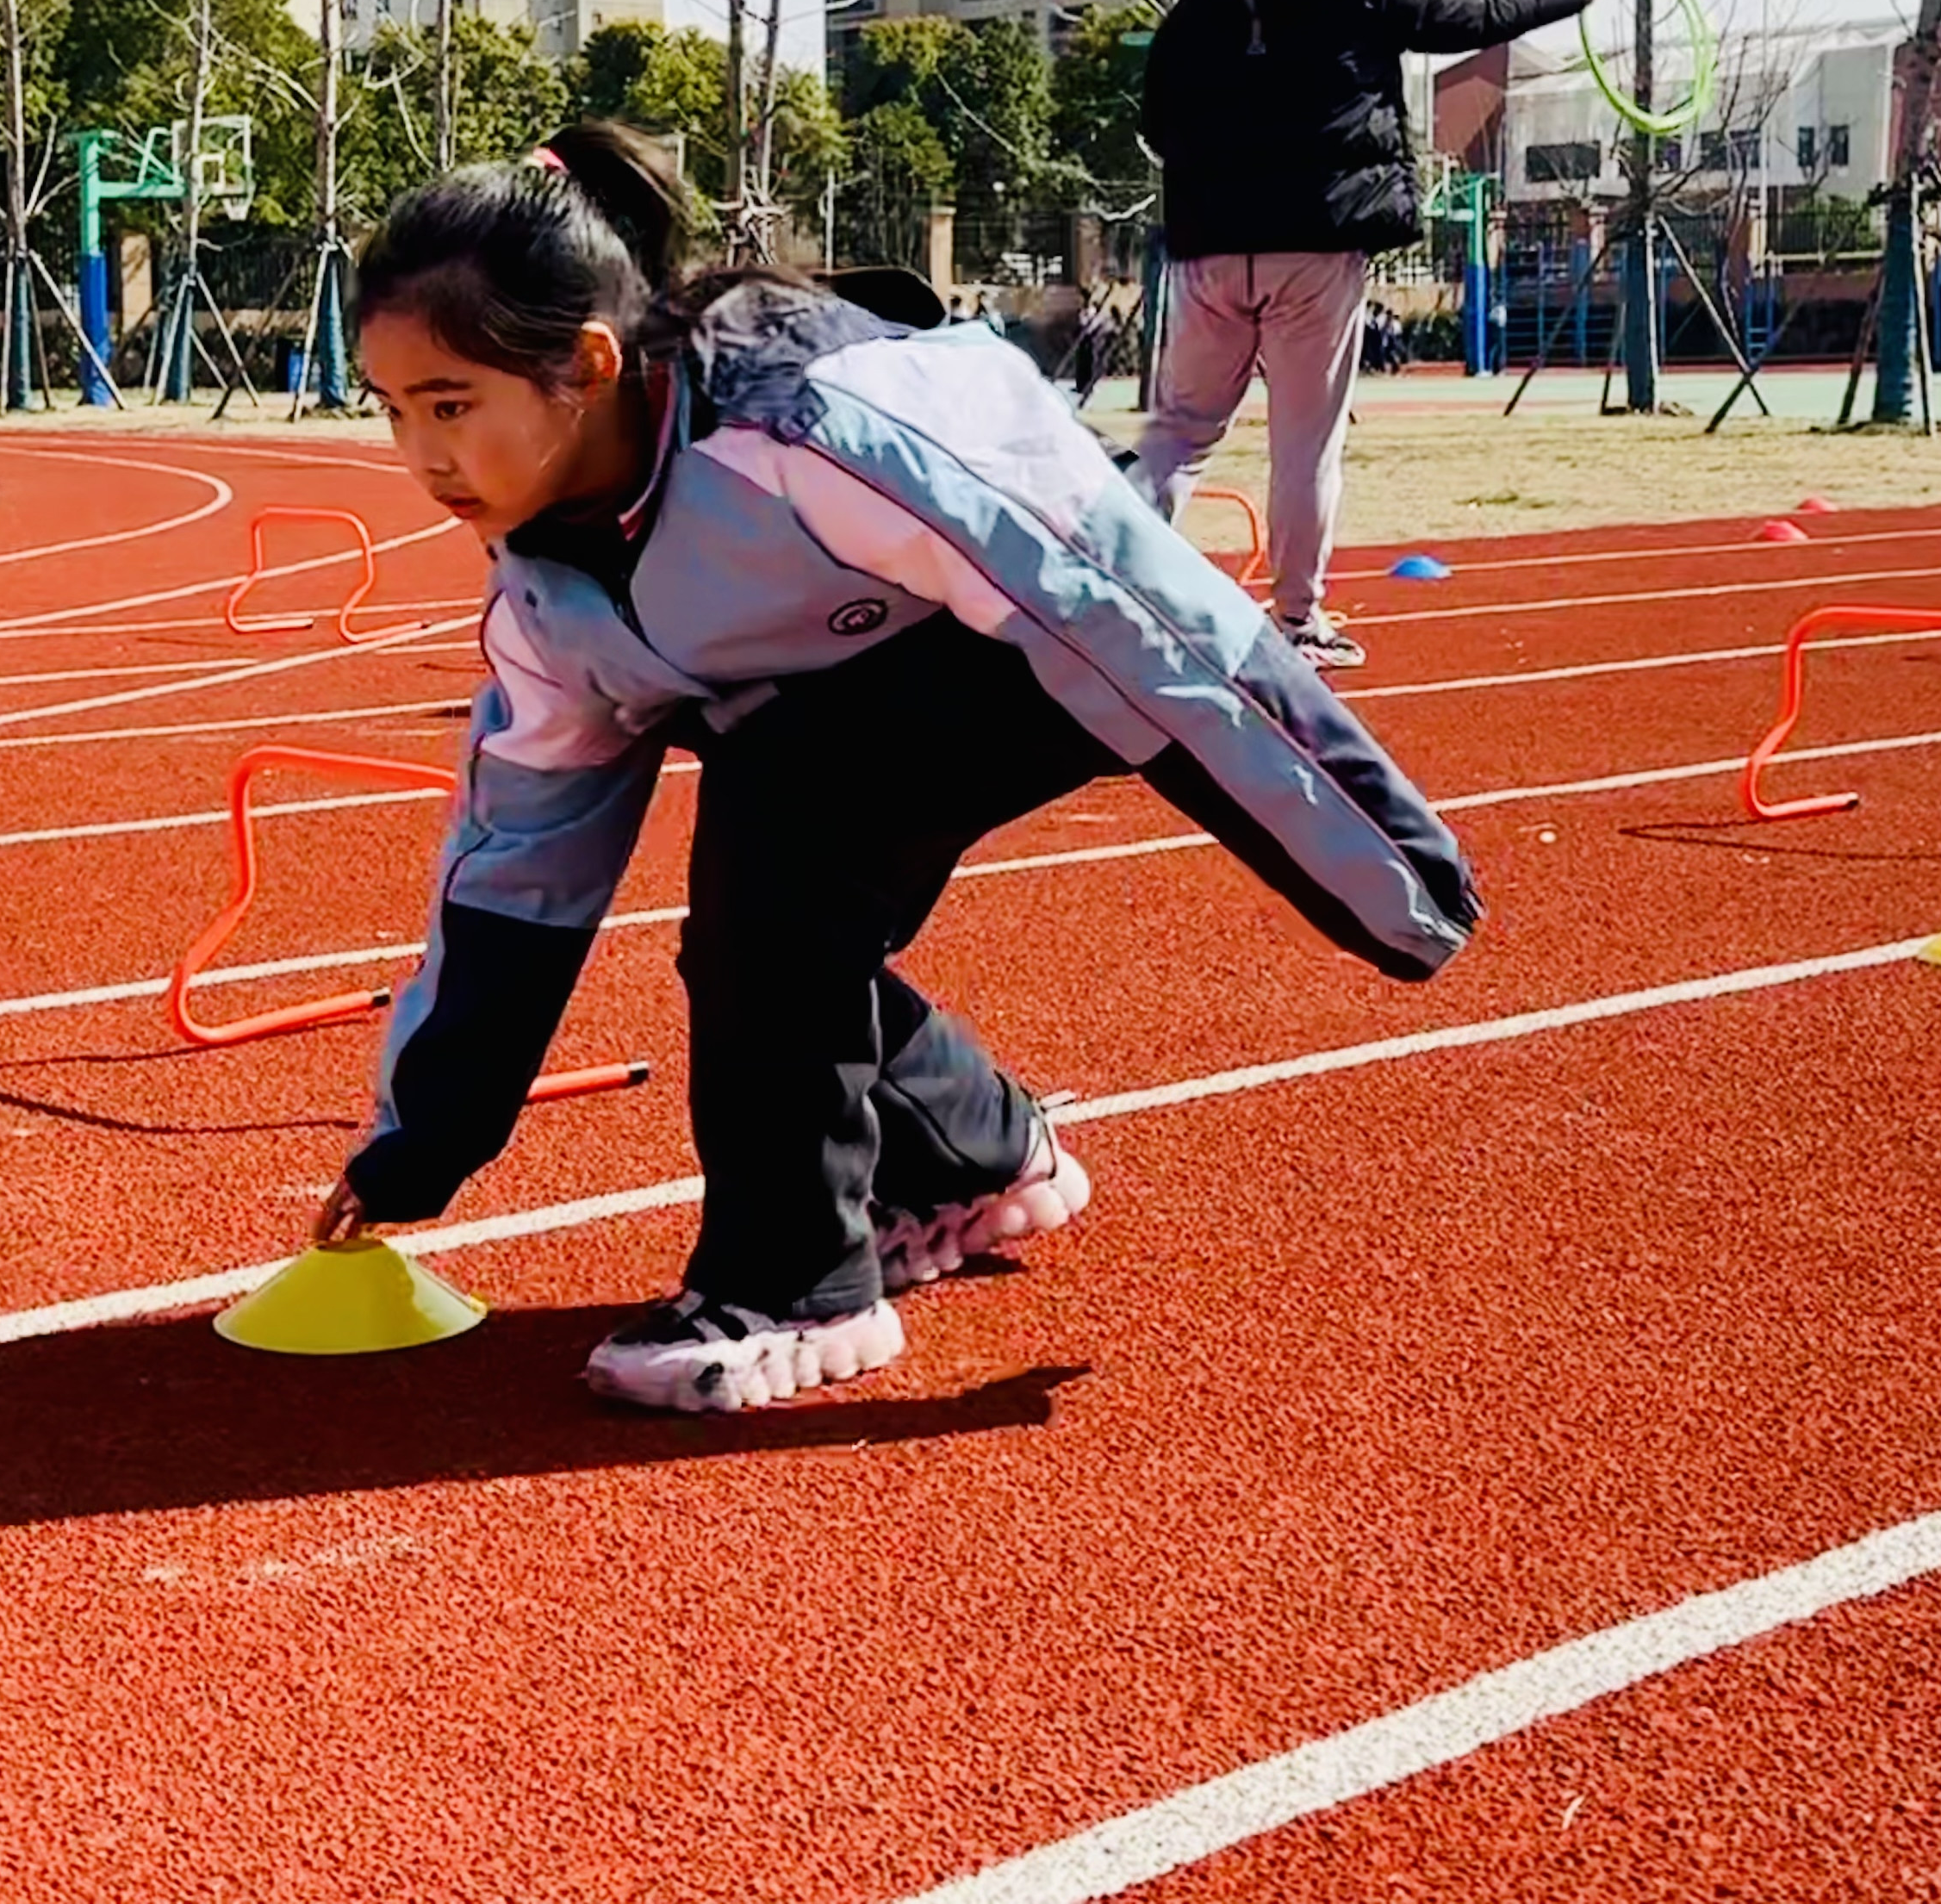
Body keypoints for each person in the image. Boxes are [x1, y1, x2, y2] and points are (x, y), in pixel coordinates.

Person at [311, 122, 1482, 1413]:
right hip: (825, 700)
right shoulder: (545, 603)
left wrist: (1378, 865)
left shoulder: (818, 427)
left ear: (585, 365)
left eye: (451, 405)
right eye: (391, 410)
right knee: (766, 938)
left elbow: (1147, 620)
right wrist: (422, 1142)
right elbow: (519, 873)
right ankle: (975, 1155)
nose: (418, 457)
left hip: (1031, 638)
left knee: (774, 893)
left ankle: (796, 1287)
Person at [1138, 0, 1602, 668]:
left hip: (1209, 247)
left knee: (1178, 430)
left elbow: (1154, 119)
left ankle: (1102, 589)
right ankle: (1295, 621)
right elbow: (1476, 7)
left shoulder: (1197, 1)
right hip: (1316, 248)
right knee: (1305, 443)